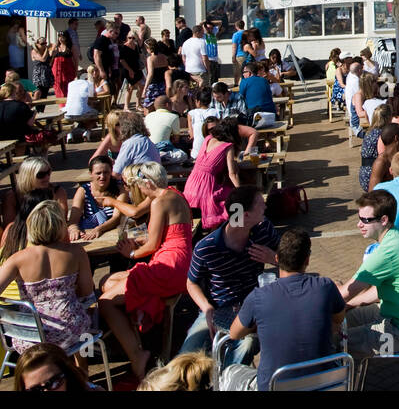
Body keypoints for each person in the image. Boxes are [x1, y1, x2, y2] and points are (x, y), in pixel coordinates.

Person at [97, 162, 194, 377]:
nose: (139, 190)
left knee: (105, 302)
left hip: (167, 266)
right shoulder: (175, 194)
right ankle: (137, 334)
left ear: (147, 183)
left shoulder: (159, 201)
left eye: (140, 186)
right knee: (108, 282)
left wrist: (129, 254)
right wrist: (140, 242)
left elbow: (152, 246)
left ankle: (137, 355)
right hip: (180, 263)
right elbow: (169, 235)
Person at [219, 228, 347, 391]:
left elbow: (235, 333)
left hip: (275, 385)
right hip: (325, 383)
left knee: (230, 371)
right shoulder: (326, 286)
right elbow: (339, 318)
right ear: (307, 260)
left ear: (277, 258)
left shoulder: (259, 297)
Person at [0, 200, 94, 356]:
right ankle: (79, 372)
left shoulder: (18, 259)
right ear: (59, 225)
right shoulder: (76, 252)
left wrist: (16, 302)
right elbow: (87, 292)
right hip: (70, 332)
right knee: (83, 316)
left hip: (30, 336)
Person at [180, 185, 279, 366]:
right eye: (260, 203)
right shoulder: (206, 248)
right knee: (186, 356)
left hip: (250, 310)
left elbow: (292, 261)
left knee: (246, 345)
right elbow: (191, 283)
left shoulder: (263, 230)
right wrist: (206, 307)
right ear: (246, 216)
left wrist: (274, 258)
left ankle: (226, 381)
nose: (265, 206)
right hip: (216, 310)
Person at [336, 189, 399, 359]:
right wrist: (349, 304)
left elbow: (345, 292)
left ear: (384, 220)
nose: (359, 224)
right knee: (343, 319)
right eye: (359, 218)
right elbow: (380, 290)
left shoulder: (388, 252)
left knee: (333, 342)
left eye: (365, 220)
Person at [67, 158, 123, 241]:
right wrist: (74, 229)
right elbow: (73, 220)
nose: (102, 176)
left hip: (115, 236)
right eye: (98, 173)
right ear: (91, 174)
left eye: (106, 172)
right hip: (91, 236)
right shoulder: (83, 191)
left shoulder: (120, 189)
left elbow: (116, 218)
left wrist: (99, 229)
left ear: (111, 172)